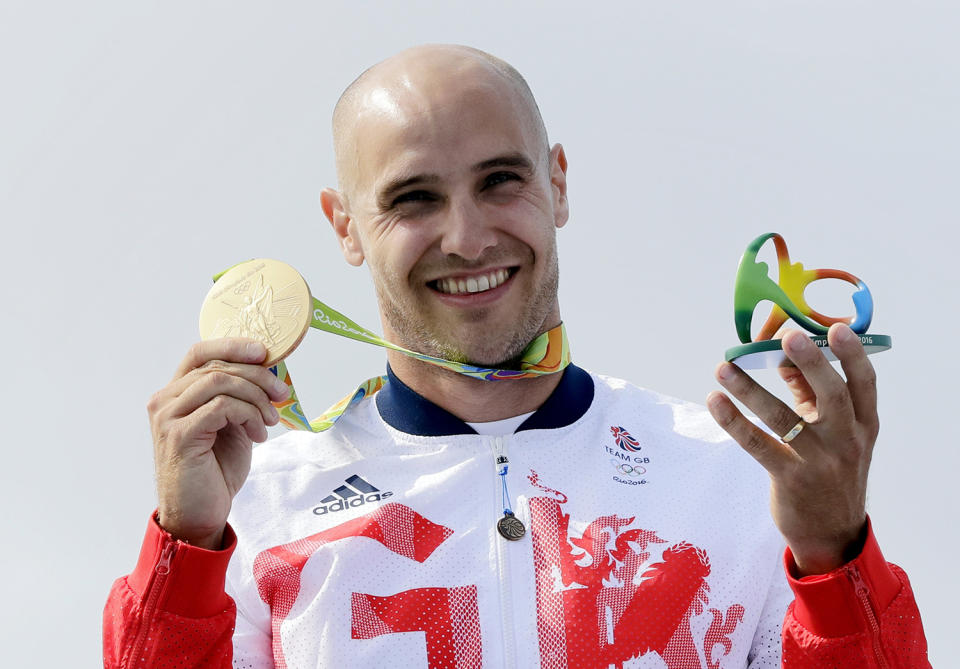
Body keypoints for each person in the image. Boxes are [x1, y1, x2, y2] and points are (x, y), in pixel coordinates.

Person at [103, 44, 928, 668]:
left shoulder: (735, 479)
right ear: (344, 225)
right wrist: (184, 551)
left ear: (559, 182)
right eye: (413, 198)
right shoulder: (254, 510)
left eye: (501, 180)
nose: (466, 238)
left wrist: (836, 557)